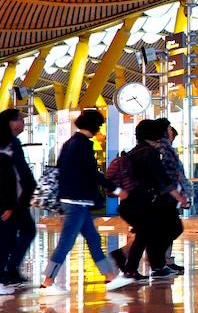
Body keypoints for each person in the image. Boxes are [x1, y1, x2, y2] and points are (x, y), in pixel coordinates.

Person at [40, 110, 134, 294]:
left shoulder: (70, 143)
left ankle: (110, 276)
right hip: (77, 200)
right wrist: (115, 189)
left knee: (93, 238)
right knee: (66, 242)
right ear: (94, 126)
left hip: (74, 199)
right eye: (99, 125)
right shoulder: (82, 145)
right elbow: (92, 172)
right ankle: (47, 282)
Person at [119, 120, 188, 280]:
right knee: (169, 229)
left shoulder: (135, 151)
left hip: (135, 202)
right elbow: (161, 178)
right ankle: (132, 266)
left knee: (147, 235)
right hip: (146, 202)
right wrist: (179, 196)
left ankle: (152, 266)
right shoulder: (150, 153)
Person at [0, 109, 36, 289]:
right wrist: (8, 204)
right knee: (13, 236)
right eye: (20, 119)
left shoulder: (12, 143)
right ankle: (7, 272)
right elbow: (7, 177)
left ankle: (10, 270)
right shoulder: (8, 144)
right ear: (11, 123)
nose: (23, 122)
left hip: (17, 201)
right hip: (11, 202)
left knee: (16, 235)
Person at [154, 118, 191, 273]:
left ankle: (164, 260)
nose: (171, 132)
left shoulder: (165, 149)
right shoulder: (164, 150)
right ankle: (159, 260)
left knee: (170, 229)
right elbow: (171, 174)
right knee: (171, 229)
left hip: (169, 196)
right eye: (169, 129)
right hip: (166, 196)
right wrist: (180, 195)